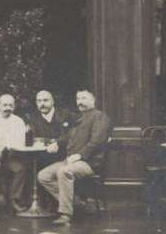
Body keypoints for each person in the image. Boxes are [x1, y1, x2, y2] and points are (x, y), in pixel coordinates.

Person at [37, 89, 111, 224]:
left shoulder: (99, 116)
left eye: (84, 98)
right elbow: (68, 135)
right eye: (78, 99)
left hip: (89, 162)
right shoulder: (80, 118)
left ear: (93, 100)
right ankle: (75, 202)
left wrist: (80, 155)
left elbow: (97, 141)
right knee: (43, 175)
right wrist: (57, 143)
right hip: (71, 160)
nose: (80, 102)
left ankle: (65, 214)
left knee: (64, 171)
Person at [26, 89, 71, 212]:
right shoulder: (33, 118)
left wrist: (58, 142)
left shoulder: (65, 114)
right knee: (34, 165)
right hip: (43, 154)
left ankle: (61, 202)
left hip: (64, 154)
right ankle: (43, 201)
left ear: (53, 101)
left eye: (45, 100)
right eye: (39, 101)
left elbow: (73, 132)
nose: (42, 104)